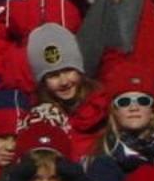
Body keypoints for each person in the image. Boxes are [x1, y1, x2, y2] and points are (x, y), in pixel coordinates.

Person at [26, 23, 108, 158]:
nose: (64, 82)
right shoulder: (41, 119)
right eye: (53, 75)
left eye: (68, 70)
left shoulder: (104, 106)